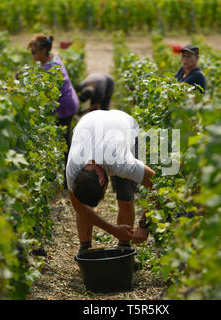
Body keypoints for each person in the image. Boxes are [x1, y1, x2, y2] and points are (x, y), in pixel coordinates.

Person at [66, 110, 155, 253]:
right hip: (88, 122)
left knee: (125, 199)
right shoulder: (73, 169)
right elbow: (79, 206)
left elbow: (157, 184)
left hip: (123, 123)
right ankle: (85, 248)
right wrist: (113, 230)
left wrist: (144, 224)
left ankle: (124, 247)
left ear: (102, 181)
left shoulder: (123, 163)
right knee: (84, 204)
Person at [28, 34, 79, 188]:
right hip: (69, 103)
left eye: (33, 51)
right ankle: (68, 177)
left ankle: (68, 180)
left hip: (64, 108)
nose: (32, 55)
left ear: (43, 50)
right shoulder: (53, 58)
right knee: (65, 142)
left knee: (64, 144)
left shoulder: (48, 68)